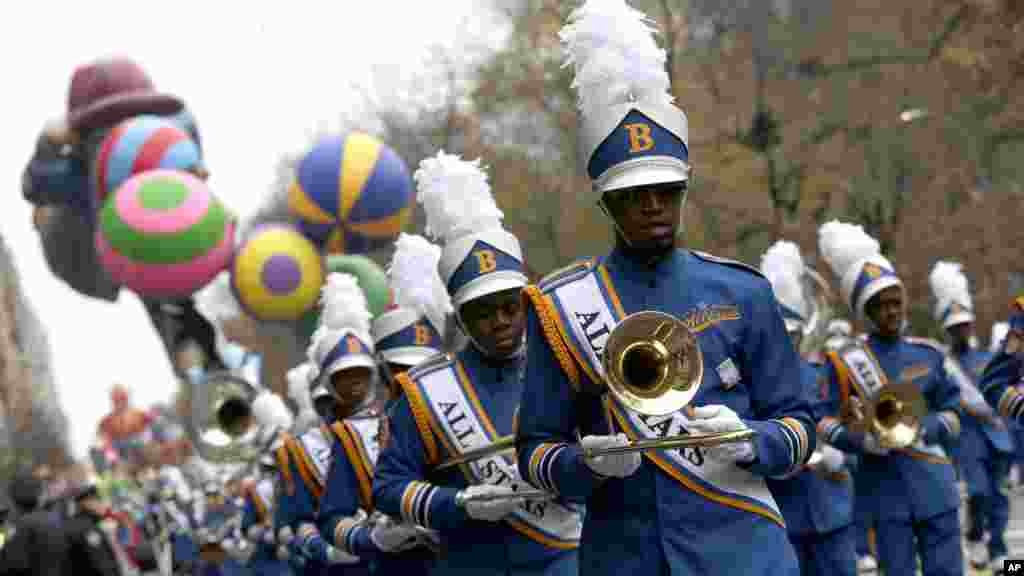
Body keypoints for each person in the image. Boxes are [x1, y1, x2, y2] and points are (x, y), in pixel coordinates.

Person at [514, 2, 813, 574]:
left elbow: (799, 422)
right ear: (607, 202)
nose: (653, 205)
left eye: (666, 190)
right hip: (626, 556)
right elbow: (536, 451)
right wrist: (587, 465)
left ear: (682, 190)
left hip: (743, 552)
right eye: (633, 194)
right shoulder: (559, 307)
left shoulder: (743, 291)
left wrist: (752, 440)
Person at [374, 151, 582, 575]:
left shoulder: (565, 366)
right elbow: (388, 487)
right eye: (484, 312)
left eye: (510, 307)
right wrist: (458, 504)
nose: (501, 321)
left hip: (561, 561)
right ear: (462, 318)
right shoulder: (424, 391)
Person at [815, 221, 963, 576]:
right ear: (865, 312)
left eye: (896, 302)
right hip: (883, 494)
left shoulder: (928, 354)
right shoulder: (844, 362)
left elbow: (954, 412)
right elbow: (822, 420)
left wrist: (924, 428)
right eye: (881, 306)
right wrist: (860, 440)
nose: (892, 311)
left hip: (935, 487)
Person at [274, 273, 384, 574]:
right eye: (342, 377)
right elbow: (297, 520)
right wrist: (326, 550)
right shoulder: (303, 449)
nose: (353, 386)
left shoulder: (392, 423)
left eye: (360, 373)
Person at [760, 241, 858, 576]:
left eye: (792, 333)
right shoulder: (752, 380)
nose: (786, 341)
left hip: (832, 505)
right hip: (783, 513)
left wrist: (844, 455)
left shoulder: (827, 370)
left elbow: (853, 423)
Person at [929, 261, 1013, 571]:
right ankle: (975, 535)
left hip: (998, 436)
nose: (960, 331)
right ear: (947, 330)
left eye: (963, 325)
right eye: (954, 327)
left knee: (999, 498)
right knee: (977, 492)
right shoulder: (943, 363)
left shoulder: (987, 357)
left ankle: (999, 551)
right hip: (968, 438)